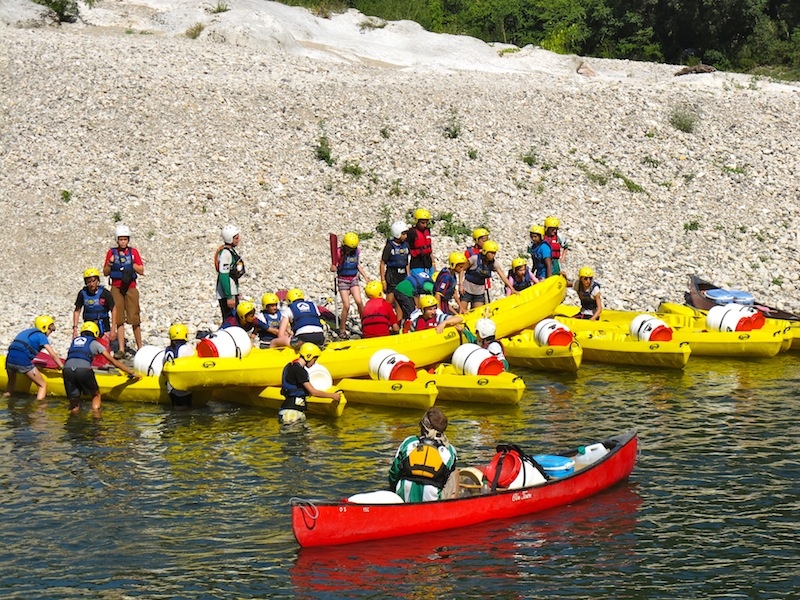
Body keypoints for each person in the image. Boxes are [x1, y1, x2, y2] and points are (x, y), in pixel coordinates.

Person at [63, 321, 138, 414]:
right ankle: (96, 417)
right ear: (95, 333)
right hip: (84, 370)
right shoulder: (95, 344)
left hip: (67, 369)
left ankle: (74, 418)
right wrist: (132, 373)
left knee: (74, 401)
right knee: (96, 394)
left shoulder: (74, 341)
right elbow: (114, 361)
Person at [388, 407, 457, 502]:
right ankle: (451, 505)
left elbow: (394, 473)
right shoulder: (450, 451)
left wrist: (392, 490)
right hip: (433, 501)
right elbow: (447, 478)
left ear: (424, 428)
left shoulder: (408, 442)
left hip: (403, 495)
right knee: (455, 473)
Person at [103, 224, 144, 358]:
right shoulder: (111, 253)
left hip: (130, 287)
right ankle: (121, 349)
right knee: (119, 317)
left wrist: (130, 263)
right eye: (120, 239)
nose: (123, 242)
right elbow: (105, 272)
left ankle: (140, 348)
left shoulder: (133, 253)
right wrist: (110, 263)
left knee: (134, 318)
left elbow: (141, 270)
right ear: (117, 239)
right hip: (116, 287)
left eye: (125, 239)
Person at [278, 343, 341, 426]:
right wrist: (332, 395)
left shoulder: (289, 366)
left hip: (287, 410)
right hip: (292, 413)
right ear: (309, 356)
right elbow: (313, 392)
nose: (314, 363)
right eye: (314, 360)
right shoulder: (300, 371)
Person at [4, 315, 64, 401]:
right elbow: (52, 354)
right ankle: (39, 410)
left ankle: (5, 402)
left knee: (10, 384)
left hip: (9, 359)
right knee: (42, 385)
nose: (51, 332)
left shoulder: (26, 332)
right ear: (44, 327)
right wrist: (61, 366)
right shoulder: (41, 336)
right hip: (22, 361)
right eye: (50, 329)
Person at [459, 240, 517, 312]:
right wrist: (460, 285)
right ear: (485, 252)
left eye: (494, 253)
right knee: (462, 311)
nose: (493, 255)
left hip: (479, 292)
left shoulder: (493, 263)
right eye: (491, 253)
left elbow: (502, 276)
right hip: (467, 289)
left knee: (478, 313)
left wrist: (512, 288)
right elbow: (462, 270)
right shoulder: (474, 259)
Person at [330, 232, 369, 339]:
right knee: (346, 305)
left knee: (359, 301)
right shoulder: (339, 253)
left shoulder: (356, 252)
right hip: (343, 280)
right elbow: (333, 266)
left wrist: (365, 276)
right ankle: (342, 329)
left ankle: (365, 324)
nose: (351, 251)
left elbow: (357, 265)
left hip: (353, 279)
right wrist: (333, 268)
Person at [72, 267, 115, 340]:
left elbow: (114, 309)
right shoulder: (82, 293)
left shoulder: (105, 293)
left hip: (103, 325)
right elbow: (77, 311)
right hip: (88, 326)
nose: (91, 284)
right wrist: (75, 328)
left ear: (97, 280)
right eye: (89, 282)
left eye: (93, 281)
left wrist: (113, 328)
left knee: (104, 347)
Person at [379, 221, 410, 322]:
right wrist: (383, 280)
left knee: (401, 301)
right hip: (392, 275)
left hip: (403, 276)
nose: (406, 236)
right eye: (403, 234)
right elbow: (382, 263)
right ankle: (384, 320)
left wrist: (409, 276)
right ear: (397, 233)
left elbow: (406, 263)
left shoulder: (406, 245)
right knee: (390, 300)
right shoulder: (389, 246)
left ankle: (399, 322)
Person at [215, 224, 245, 322]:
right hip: (226, 294)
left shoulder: (231, 252)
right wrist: (229, 296)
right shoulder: (225, 254)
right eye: (236, 238)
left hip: (232, 291)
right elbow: (224, 276)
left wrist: (235, 293)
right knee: (230, 320)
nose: (238, 240)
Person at [163, 323, 194, 410]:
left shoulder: (168, 350)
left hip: (171, 386)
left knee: (175, 407)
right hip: (182, 386)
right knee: (185, 410)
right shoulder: (186, 349)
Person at [406, 208, 434, 276]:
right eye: (422, 223)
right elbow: (406, 253)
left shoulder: (427, 231)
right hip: (416, 265)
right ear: (417, 221)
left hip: (428, 264)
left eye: (426, 223)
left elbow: (430, 250)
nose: (425, 225)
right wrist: (408, 273)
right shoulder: (412, 233)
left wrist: (433, 265)